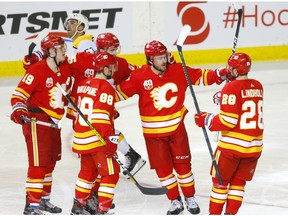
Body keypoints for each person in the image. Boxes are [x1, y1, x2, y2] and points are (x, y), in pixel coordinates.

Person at [115, 40, 229, 215]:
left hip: (176, 131)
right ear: (150, 60)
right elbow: (118, 94)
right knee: (163, 170)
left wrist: (223, 73)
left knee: (184, 168)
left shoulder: (178, 70)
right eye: (160, 58)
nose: (164, 60)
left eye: (165, 56)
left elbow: (203, 76)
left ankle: (190, 197)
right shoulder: (139, 76)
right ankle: (174, 200)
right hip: (153, 135)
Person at [193, 53, 264, 215]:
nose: (227, 69)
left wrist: (207, 119)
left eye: (229, 67)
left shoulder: (231, 88)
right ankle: (230, 213)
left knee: (220, 183)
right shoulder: (258, 85)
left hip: (232, 148)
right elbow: (243, 98)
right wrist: (224, 96)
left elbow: (228, 121)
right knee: (239, 183)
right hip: (254, 148)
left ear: (234, 69)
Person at [10, 35, 73, 215]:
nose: (64, 51)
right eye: (61, 48)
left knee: (49, 164)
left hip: (54, 123)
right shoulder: (36, 71)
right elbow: (18, 95)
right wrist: (19, 111)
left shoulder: (63, 68)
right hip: (37, 123)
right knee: (38, 164)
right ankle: (32, 205)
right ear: (51, 51)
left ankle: (44, 200)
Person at [69, 52, 120, 215]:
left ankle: (78, 207)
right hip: (97, 139)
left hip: (81, 138)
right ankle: (102, 210)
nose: (113, 70)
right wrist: (109, 139)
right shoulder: (106, 87)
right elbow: (99, 117)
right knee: (111, 173)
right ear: (104, 69)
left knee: (87, 173)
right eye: (111, 67)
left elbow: (79, 112)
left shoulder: (82, 84)